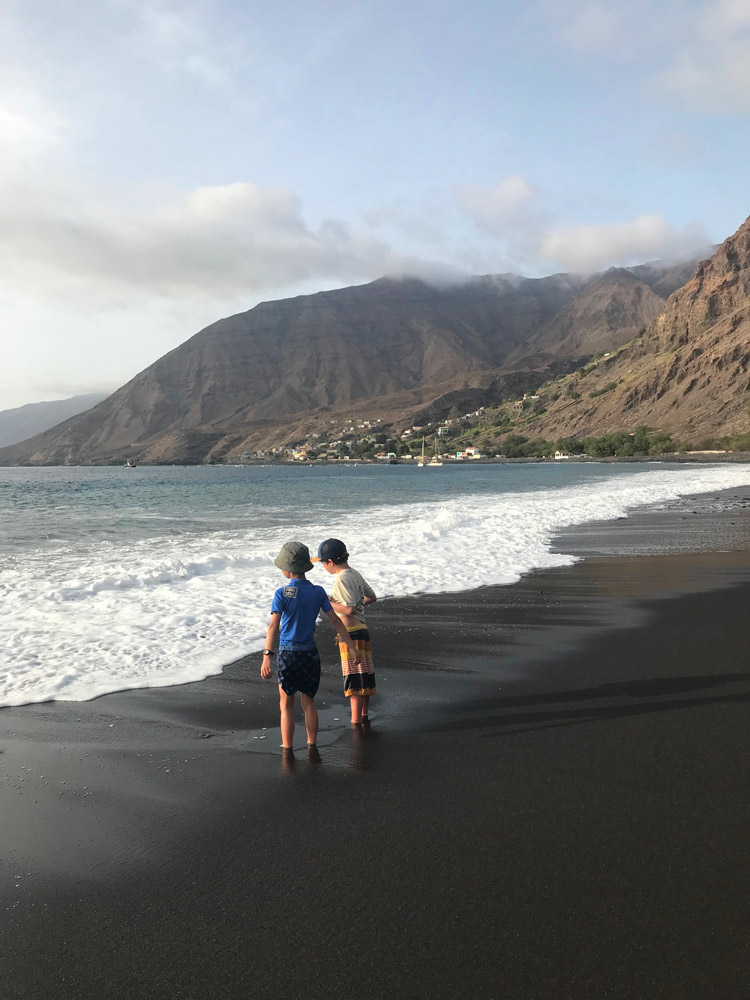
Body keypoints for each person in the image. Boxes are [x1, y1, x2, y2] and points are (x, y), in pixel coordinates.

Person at [261, 540, 362, 751]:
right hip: (310, 654)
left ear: (288, 569)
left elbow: (273, 627)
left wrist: (267, 656)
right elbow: (335, 620)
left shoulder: (282, 593)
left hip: (288, 654)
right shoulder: (317, 592)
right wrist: (351, 646)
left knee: (286, 704)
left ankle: (287, 748)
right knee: (309, 702)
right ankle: (311, 744)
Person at [313, 538, 377, 726]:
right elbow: (371, 597)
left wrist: (327, 602)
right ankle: (364, 716)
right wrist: (353, 605)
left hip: (350, 633)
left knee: (354, 681)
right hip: (362, 629)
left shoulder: (341, 578)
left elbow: (348, 609)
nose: (323, 567)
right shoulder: (354, 574)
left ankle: (356, 722)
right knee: (365, 676)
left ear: (330, 562)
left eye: (323, 563)